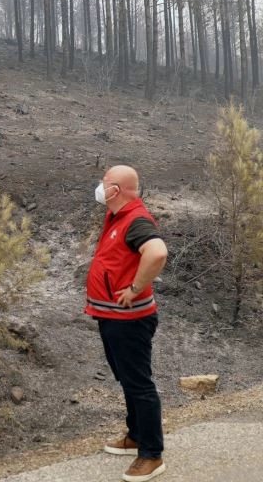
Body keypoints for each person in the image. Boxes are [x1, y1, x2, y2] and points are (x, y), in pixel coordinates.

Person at [85, 165, 168, 482]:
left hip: (130, 321)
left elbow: (157, 252)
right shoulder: (118, 215)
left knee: (139, 384)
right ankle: (135, 435)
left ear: (115, 190)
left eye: (104, 183)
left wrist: (134, 289)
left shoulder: (135, 220)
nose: (100, 187)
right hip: (112, 317)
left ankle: (151, 454)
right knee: (128, 380)